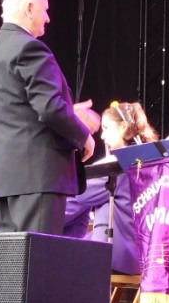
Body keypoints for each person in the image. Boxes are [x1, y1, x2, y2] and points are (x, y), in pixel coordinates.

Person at [0, 0, 99, 234]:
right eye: (44, 10)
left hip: (7, 178)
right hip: (38, 177)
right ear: (29, 8)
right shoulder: (29, 47)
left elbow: (20, 108)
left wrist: (67, 109)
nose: (48, 18)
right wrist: (83, 135)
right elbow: (49, 107)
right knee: (37, 254)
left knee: (12, 256)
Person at [64, 101, 159, 278]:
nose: (102, 136)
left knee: (58, 255)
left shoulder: (117, 167)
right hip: (139, 255)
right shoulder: (144, 162)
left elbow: (79, 194)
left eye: (107, 128)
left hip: (116, 253)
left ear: (123, 127)